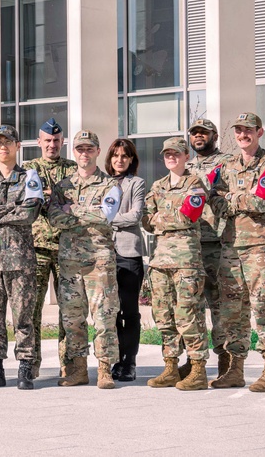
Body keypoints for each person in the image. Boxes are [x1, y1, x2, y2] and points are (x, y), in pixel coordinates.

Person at [211, 112, 265, 392]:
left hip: (261, 249)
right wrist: (233, 200)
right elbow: (212, 197)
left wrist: (231, 198)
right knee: (232, 312)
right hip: (231, 247)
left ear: (260, 132)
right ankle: (235, 370)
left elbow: (262, 202)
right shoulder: (226, 165)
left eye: (248, 130)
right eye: (239, 131)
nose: (242, 135)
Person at [47, 129, 122, 389]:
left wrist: (74, 210)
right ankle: (78, 369)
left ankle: (105, 369)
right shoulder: (63, 186)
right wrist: (88, 212)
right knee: (72, 317)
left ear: (98, 152)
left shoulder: (110, 185)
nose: (84, 153)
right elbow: (54, 218)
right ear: (74, 152)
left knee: (103, 316)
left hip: (98, 261)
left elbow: (106, 215)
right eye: (80, 148)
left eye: (89, 148)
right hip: (69, 262)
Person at [0, 125, 43, 390]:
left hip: (20, 262)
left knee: (23, 318)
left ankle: (25, 369)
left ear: (18, 146)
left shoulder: (30, 178)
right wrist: (12, 207)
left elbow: (29, 214)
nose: (4, 147)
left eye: (9, 142)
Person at [141, 137, 211, 391]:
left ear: (186, 157)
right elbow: (146, 221)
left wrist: (161, 217)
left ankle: (198, 369)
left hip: (186, 262)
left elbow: (189, 215)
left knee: (188, 315)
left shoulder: (194, 183)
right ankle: (171, 366)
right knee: (163, 316)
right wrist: (166, 218)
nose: (171, 157)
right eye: (167, 154)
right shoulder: (157, 185)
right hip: (160, 262)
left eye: (177, 154)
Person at [23, 118, 77, 379]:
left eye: (56, 141)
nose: (52, 145)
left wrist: (49, 195)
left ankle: (68, 364)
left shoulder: (73, 169)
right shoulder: (29, 167)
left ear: (62, 141)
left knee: (68, 309)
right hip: (37, 248)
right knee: (32, 308)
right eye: (47, 141)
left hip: (67, 247)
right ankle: (31, 363)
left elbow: (77, 201)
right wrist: (59, 199)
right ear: (39, 142)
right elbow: (27, 197)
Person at [181, 117, 230, 382]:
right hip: (189, 244)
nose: (199, 137)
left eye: (204, 133)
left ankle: (226, 362)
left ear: (214, 136)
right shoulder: (185, 166)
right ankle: (193, 362)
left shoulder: (227, 164)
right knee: (191, 307)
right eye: (195, 133)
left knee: (220, 306)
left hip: (217, 242)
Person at [104, 138, 146, 382]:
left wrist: (107, 217)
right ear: (109, 159)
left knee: (129, 310)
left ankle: (129, 362)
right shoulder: (102, 182)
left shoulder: (137, 183)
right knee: (109, 311)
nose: (119, 160)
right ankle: (113, 359)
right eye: (115, 156)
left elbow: (136, 215)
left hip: (129, 253)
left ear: (131, 160)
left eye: (124, 156)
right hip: (104, 254)